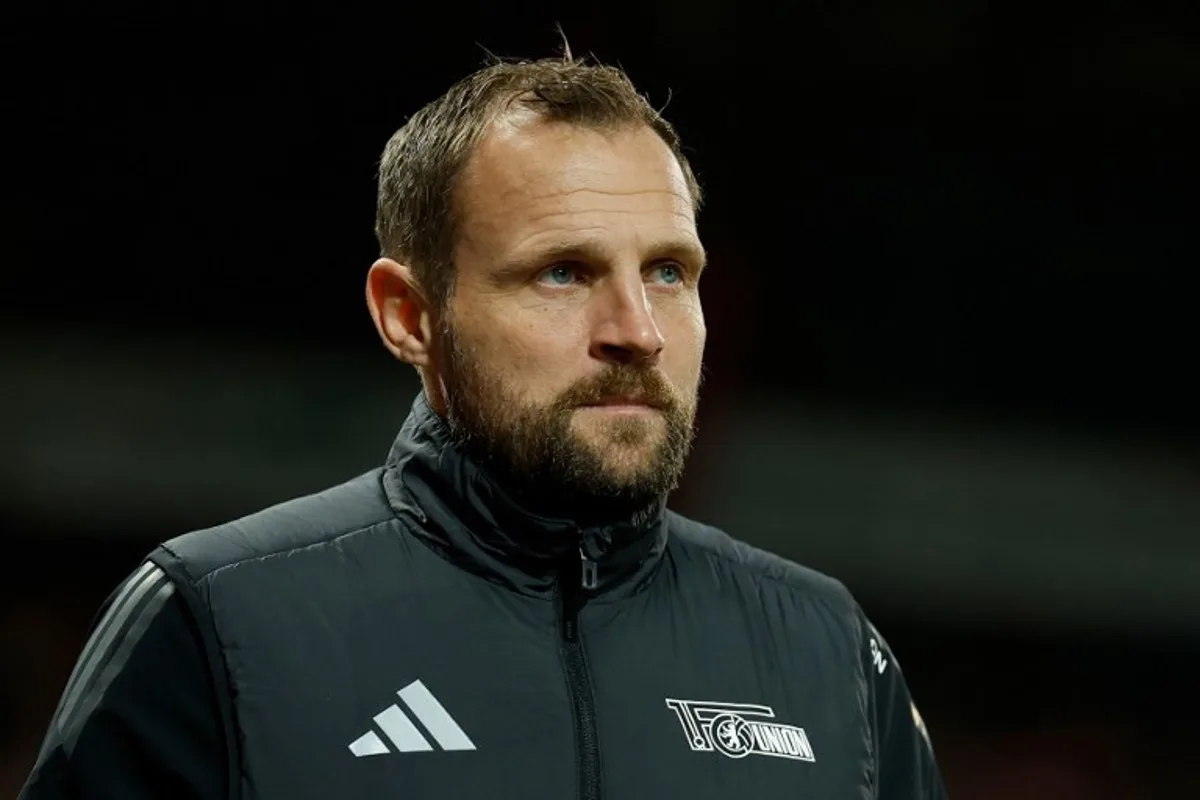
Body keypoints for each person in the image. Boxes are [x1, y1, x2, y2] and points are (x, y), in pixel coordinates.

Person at [20, 52, 948, 799]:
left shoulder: (828, 654)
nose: (638, 331)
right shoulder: (217, 624)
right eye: (562, 273)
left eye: (668, 271)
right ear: (410, 316)